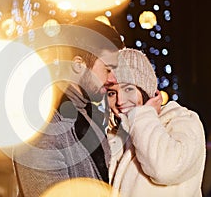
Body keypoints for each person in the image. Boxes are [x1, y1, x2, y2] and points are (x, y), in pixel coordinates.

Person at [13, 19, 125, 197]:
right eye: (107, 69)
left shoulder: (92, 117)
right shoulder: (40, 123)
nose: (113, 79)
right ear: (79, 65)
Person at [106, 48, 206, 197]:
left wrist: (144, 115)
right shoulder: (115, 136)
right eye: (112, 93)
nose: (120, 100)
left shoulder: (183, 120)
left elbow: (165, 169)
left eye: (128, 89)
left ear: (146, 90)